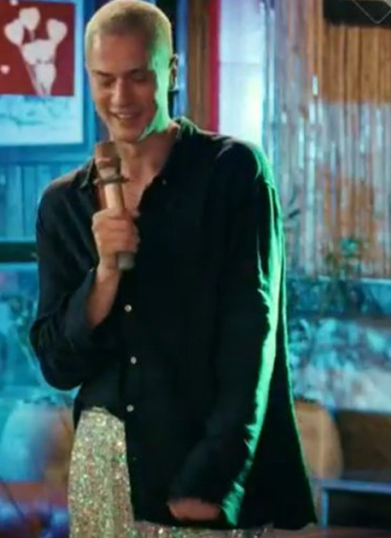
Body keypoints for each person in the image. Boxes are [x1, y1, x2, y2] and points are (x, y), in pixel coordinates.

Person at [29, 1, 316, 535]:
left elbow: (252, 332)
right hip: (103, 463)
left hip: (198, 455)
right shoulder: (64, 203)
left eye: (138, 77)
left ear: (172, 72)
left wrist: (216, 470)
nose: (121, 98)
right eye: (105, 80)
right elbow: (57, 364)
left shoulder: (232, 171)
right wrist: (105, 275)